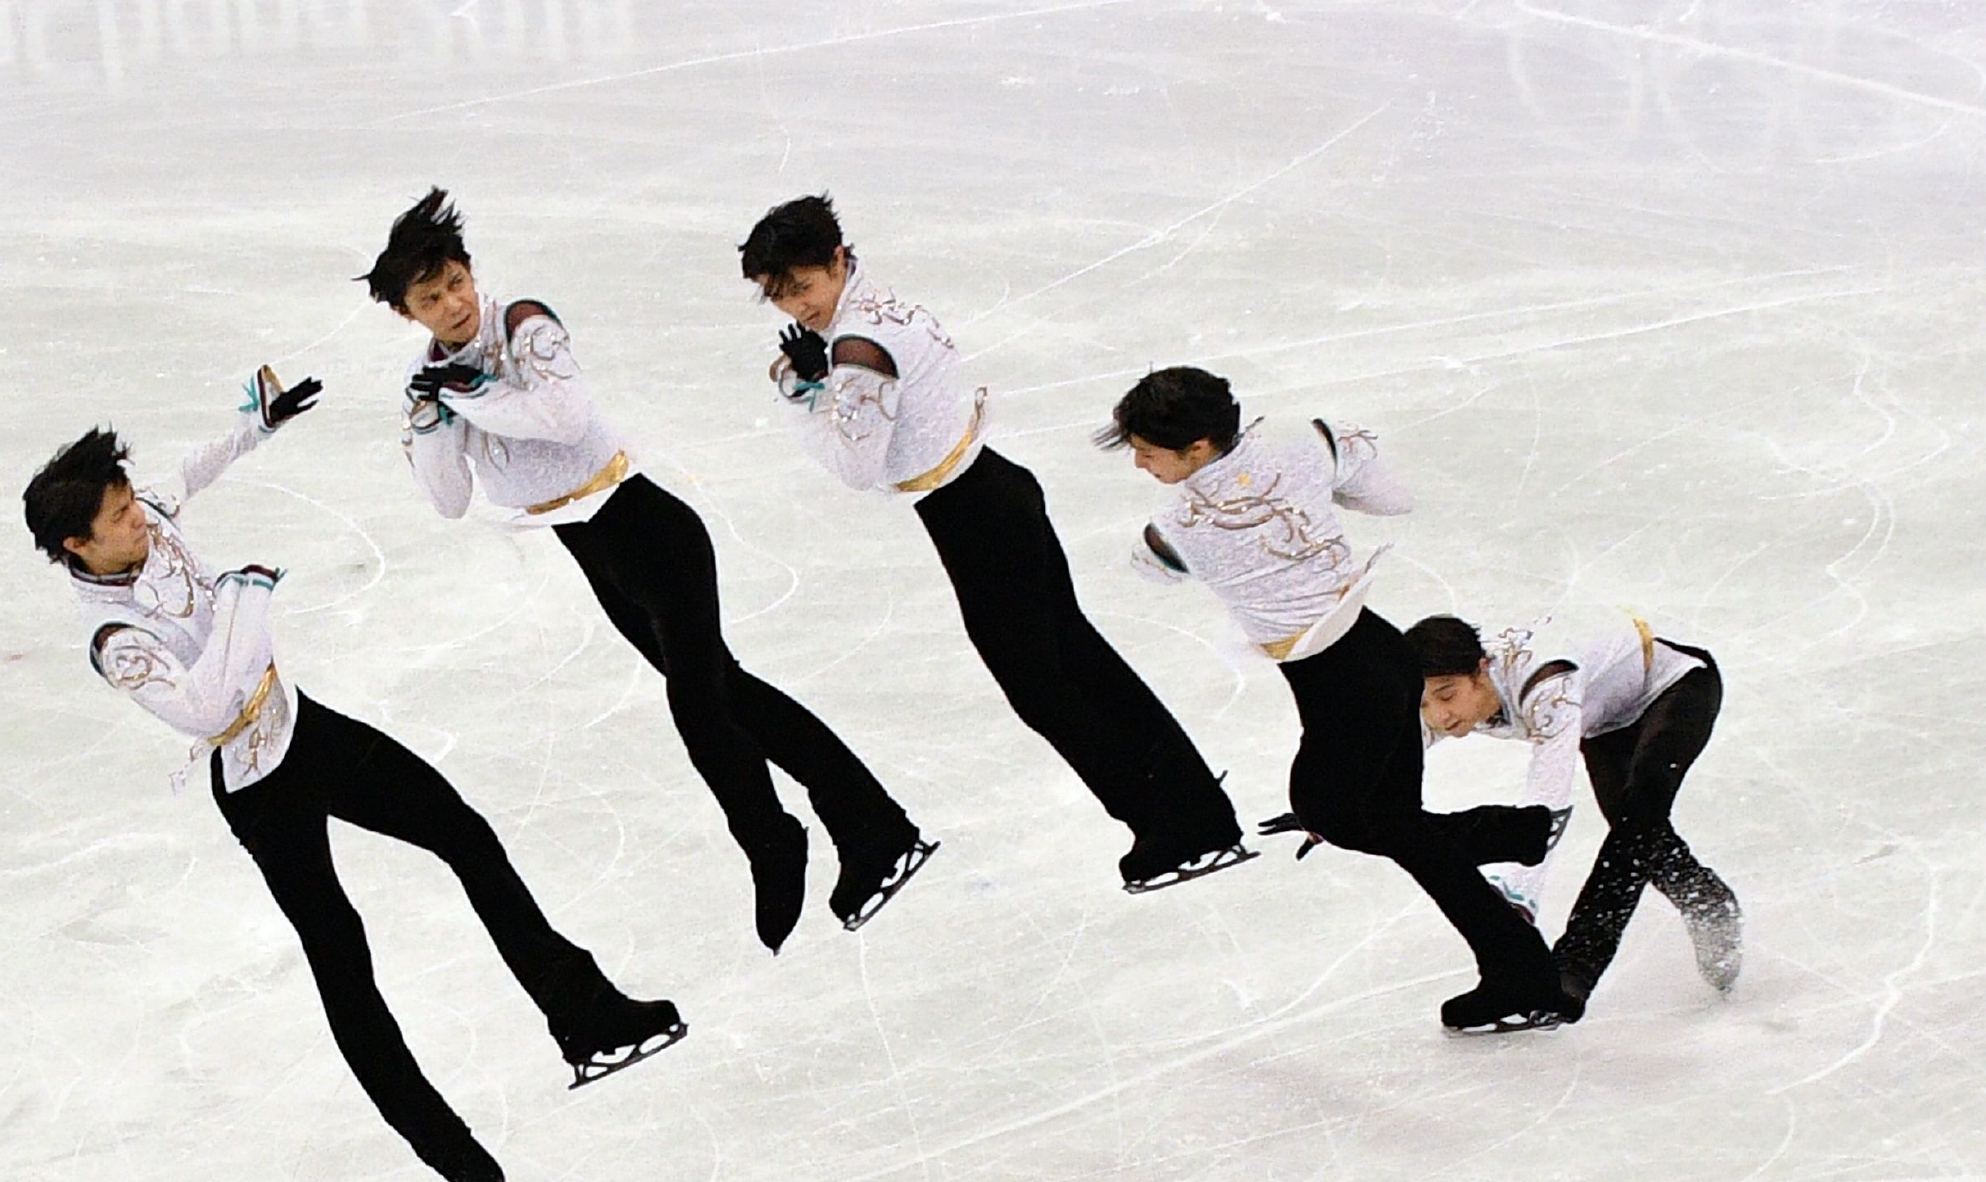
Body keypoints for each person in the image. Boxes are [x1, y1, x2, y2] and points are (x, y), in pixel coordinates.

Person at [21, 373, 684, 1182]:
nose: (139, 519)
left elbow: (188, 471)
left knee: (461, 830)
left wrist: (256, 426)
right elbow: (206, 707)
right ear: (78, 545)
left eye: (130, 502)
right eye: (120, 517)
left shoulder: (142, 517)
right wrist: (243, 597)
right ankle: (433, 1132)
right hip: (256, 783)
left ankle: (585, 1015)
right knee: (341, 950)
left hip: (304, 726)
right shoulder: (115, 639)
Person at [362, 189, 929, 953]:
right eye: (431, 299)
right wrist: (435, 422)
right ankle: (873, 825)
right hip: (594, 554)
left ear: (471, 271)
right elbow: (449, 498)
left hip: (650, 530)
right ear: (407, 313)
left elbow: (563, 419)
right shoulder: (429, 383)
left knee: (700, 708)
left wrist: (475, 396)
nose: (454, 304)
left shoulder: (524, 326)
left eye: (457, 282)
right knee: (735, 698)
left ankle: (773, 840)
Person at [739, 194, 1247, 892]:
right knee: (1081, 664)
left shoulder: (858, 348)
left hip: (975, 519)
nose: (797, 307)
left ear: (837, 259)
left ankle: (1174, 825)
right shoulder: (876, 309)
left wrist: (802, 391)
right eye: (778, 297)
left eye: (803, 286)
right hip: (996, 495)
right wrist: (827, 376)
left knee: (1046, 690)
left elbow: (855, 467)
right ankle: (1196, 810)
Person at [1099, 366, 1572, 1032]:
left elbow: (1150, 568)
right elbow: (1390, 498)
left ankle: (1511, 852)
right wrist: (1313, 488)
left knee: (1333, 813)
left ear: (1198, 446)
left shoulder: (1182, 523)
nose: (1141, 464)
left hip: (1344, 686)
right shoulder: (1297, 438)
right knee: (1396, 826)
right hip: (1382, 655)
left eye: (1149, 451)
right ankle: (1518, 954)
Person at [1406, 611, 1742, 1011]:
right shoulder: (1447, 700)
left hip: (1676, 688)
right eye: (1425, 703)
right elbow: (1389, 751)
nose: (1439, 715)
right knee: (1640, 833)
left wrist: (1519, 896)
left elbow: (1546, 806)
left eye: (1446, 696)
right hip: (1604, 724)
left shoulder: (1547, 684)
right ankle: (1707, 900)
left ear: (1481, 671)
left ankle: (1577, 967)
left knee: (1639, 816)